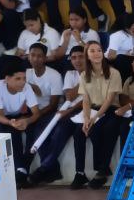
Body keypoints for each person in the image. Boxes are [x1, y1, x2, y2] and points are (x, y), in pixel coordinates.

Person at [29, 45, 90, 187]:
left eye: (81, 57)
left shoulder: (95, 74)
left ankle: (44, 168)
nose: (77, 61)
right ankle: (51, 168)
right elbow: (69, 96)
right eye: (73, 58)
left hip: (84, 109)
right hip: (68, 109)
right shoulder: (70, 74)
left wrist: (87, 75)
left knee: (62, 131)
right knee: (42, 129)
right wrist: (84, 78)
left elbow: (87, 99)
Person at [77, 40, 124, 188]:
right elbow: (85, 100)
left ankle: (102, 170)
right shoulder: (84, 75)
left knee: (108, 128)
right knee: (91, 129)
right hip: (94, 109)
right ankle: (103, 169)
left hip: (111, 109)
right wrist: (86, 118)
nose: (96, 53)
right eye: (92, 51)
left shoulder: (113, 72)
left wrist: (94, 117)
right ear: (87, 55)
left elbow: (110, 100)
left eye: (99, 50)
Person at [25, 42, 63, 118]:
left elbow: (53, 106)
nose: (35, 59)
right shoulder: (26, 73)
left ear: (45, 58)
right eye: (32, 55)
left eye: (39, 56)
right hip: (32, 111)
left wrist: (32, 118)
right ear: (28, 56)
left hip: (50, 113)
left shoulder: (55, 75)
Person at [106, 14, 134, 78]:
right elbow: (111, 56)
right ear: (127, 29)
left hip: (126, 61)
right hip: (112, 61)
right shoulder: (117, 36)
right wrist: (126, 54)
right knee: (121, 58)